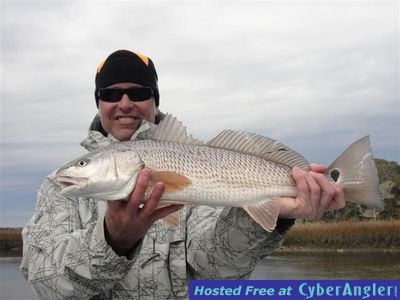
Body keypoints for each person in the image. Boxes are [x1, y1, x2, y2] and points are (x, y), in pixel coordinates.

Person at [21, 50, 345, 299]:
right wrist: (113, 240)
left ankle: (348, 182)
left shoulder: (191, 156)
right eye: (109, 93)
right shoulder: (57, 187)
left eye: (138, 93)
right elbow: (46, 284)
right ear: (98, 103)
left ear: (155, 100)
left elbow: (217, 268)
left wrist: (275, 211)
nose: (124, 103)